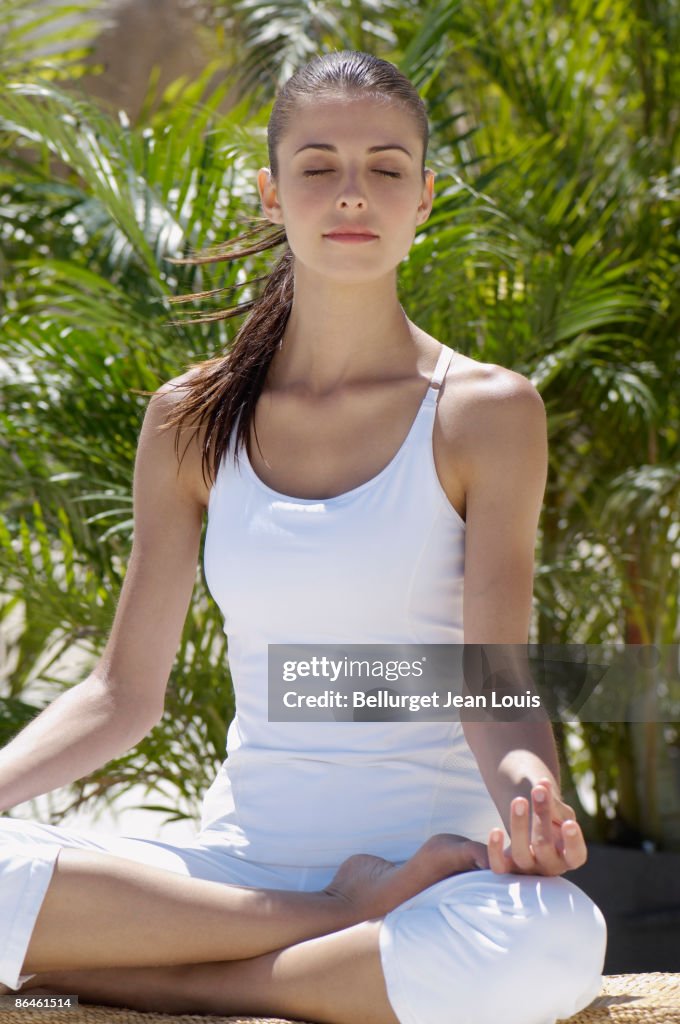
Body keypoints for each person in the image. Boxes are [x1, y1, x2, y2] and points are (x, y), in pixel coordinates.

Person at [0, 50, 606, 1024]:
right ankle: (323, 918)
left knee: (547, 943)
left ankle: (175, 978)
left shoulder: (483, 411)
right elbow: (121, 694)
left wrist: (532, 790)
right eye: (318, 165)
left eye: (386, 168)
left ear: (424, 199)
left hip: (435, 876)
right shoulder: (189, 417)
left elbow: (491, 678)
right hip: (232, 872)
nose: (352, 192)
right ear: (271, 193)